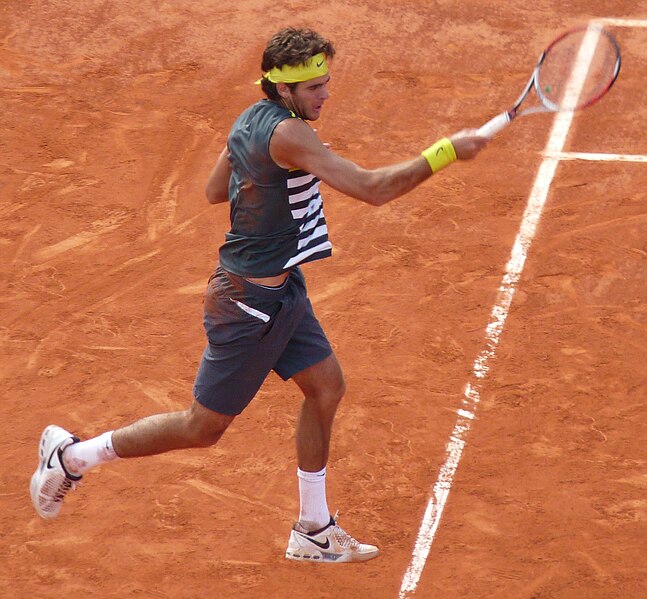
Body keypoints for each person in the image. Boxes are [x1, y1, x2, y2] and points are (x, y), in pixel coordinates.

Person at [30, 27, 488, 563]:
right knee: (202, 428)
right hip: (248, 304)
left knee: (326, 389)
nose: (325, 94)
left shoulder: (250, 119)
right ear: (286, 89)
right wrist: (445, 152)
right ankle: (73, 457)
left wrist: (269, 187)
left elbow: (214, 190)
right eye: (315, 86)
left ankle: (312, 529)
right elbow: (372, 189)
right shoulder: (292, 135)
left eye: (326, 83)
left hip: (283, 289)